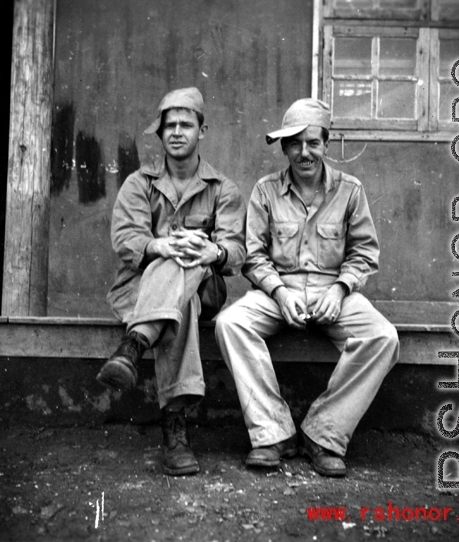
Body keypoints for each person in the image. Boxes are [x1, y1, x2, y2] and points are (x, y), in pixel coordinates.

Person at [215, 98, 399, 477]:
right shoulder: (265, 191)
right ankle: (272, 433)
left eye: (313, 143)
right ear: (284, 148)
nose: (304, 153)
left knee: (383, 336)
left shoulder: (350, 190)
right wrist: (279, 292)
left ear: (326, 145)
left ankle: (324, 435)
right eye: (295, 144)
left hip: (334, 292)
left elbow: (364, 252)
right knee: (230, 323)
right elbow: (253, 254)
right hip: (276, 291)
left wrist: (341, 288)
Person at [97, 87, 246, 476]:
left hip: (205, 285)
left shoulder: (222, 189)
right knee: (182, 302)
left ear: (202, 130)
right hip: (139, 291)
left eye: (186, 124)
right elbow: (125, 241)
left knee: (188, 259)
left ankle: (133, 345)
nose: (177, 132)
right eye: (170, 126)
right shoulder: (138, 183)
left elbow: (237, 249)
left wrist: (212, 252)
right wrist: (159, 245)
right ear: (160, 134)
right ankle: (174, 428)